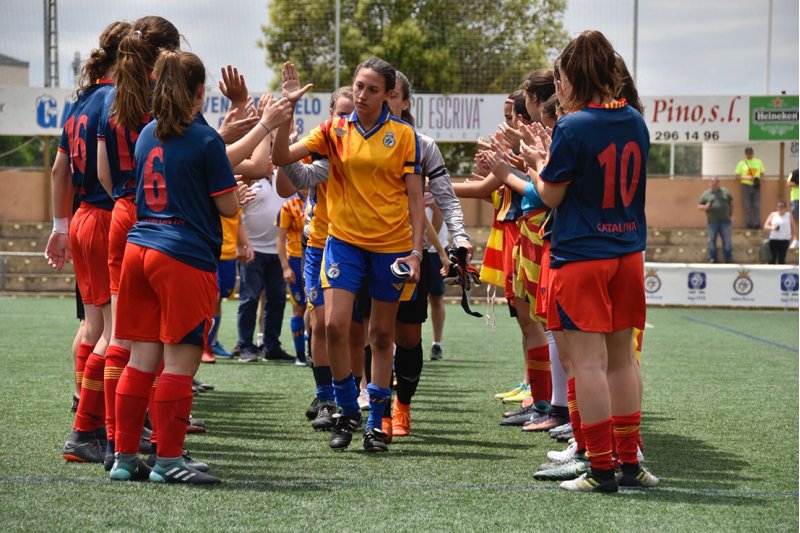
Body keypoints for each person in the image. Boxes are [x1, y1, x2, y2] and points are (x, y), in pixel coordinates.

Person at [110, 50, 292, 484]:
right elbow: (228, 206)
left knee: (141, 360)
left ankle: (124, 457)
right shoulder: (204, 138)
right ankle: (169, 460)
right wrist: (238, 193)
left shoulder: (147, 134)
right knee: (180, 363)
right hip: (182, 257)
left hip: (140, 249)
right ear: (198, 92)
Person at [273, 58, 424, 453]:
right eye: (358, 86)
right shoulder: (334, 129)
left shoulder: (405, 137)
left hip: (390, 246)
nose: (362, 95)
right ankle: (345, 410)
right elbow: (281, 157)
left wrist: (416, 253)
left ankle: (376, 423)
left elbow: (415, 198)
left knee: (381, 334)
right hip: (343, 242)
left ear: (389, 95)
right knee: (335, 327)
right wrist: (287, 109)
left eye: (372, 89)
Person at [534, 30, 658, 492]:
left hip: (582, 255)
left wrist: (531, 171)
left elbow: (552, 194)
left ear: (573, 77)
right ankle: (630, 463)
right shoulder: (636, 120)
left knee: (588, 364)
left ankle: (601, 468)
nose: (558, 88)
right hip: (627, 253)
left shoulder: (572, 126)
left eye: (560, 78)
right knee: (623, 360)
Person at [96, 15, 181, 468]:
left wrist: (125, 201)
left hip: (121, 214)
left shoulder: (110, 101)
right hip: (159, 223)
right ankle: (159, 443)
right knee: (163, 343)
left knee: (119, 339)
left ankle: (115, 443)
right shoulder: (163, 100)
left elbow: (104, 173)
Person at [45, 20, 131, 464]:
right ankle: (92, 430)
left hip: (81, 218)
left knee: (93, 327)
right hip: (108, 215)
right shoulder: (119, 99)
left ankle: (88, 413)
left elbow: (59, 171)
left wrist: (60, 226)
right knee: (114, 333)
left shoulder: (80, 102)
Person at [236, 165, 296, 363]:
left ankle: (271, 346)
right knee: (249, 298)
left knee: (277, 299)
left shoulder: (283, 178)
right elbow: (237, 214)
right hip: (253, 249)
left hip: (277, 251)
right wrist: (244, 245)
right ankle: (245, 346)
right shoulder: (250, 179)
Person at [276, 190, 309, 365]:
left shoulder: (323, 198)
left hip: (315, 256)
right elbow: (280, 240)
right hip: (295, 260)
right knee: (299, 308)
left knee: (316, 307)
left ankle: (312, 347)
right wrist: (286, 267)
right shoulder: (288, 206)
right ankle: (300, 355)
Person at [697, 176, 734, 263]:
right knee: (711, 241)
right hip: (712, 222)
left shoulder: (725, 192)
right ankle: (713, 258)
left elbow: (731, 203)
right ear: (710, 183)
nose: (714, 184)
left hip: (725, 222)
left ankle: (728, 259)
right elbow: (698, 206)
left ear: (718, 183)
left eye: (716, 182)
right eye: (712, 182)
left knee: (727, 241)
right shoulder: (706, 194)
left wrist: (730, 213)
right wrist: (705, 207)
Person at [735, 147, 766, 229]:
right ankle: (749, 223)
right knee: (747, 205)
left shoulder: (758, 162)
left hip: (756, 186)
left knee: (756, 206)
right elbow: (737, 176)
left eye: (751, 153)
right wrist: (747, 177)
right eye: (748, 153)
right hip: (745, 185)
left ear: (753, 153)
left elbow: (762, 173)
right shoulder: (741, 163)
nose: (749, 155)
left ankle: (756, 223)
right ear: (745, 154)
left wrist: (762, 181)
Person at [787, 168, 798, 249]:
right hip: (796, 199)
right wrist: (797, 183)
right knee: (795, 221)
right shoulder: (794, 173)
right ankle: (795, 240)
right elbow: (789, 184)